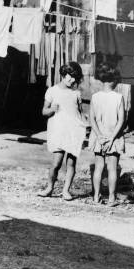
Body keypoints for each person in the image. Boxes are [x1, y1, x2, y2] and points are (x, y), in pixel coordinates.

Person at [38, 64, 86, 200]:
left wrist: (84, 128)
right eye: (70, 77)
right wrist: (52, 109)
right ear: (64, 74)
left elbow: (80, 113)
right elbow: (44, 111)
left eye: (75, 78)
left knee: (71, 163)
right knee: (56, 164)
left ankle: (66, 191)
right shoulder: (52, 91)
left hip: (73, 132)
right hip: (59, 131)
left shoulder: (76, 93)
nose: (72, 80)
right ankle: (49, 188)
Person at [89, 63, 126, 206]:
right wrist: (111, 138)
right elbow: (121, 120)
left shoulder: (95, 97)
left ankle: (96, 197)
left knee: (98, 167)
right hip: (113, 137)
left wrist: (99, 136)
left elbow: (92, 119)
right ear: (114, 80)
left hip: (99, 136)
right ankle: (111, 198)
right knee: (112, 168)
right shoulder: (118, 97)